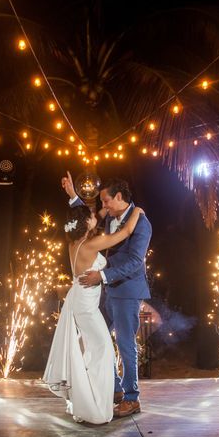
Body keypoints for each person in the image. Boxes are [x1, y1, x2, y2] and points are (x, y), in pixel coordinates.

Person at [43, 203, 145, 424]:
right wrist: (136, 211)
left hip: (81, 301)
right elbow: (126, 232)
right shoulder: (91, 244)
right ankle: (94, 405)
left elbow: (94, 218)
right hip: (87, 309)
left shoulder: (75, 243)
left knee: (96, 349)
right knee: (104, 351)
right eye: (91, 216)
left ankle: (93, 395)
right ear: (85, 223)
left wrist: (72, 197)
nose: (96, 216)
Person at [62, 171, 152, 418]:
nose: (103, 207)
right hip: (106, 292)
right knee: (99, 338)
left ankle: (132, 398)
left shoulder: (141, 222)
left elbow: (135, 261)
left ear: (119, 197)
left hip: (126, 291)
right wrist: (73, 195)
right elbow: (86, 220)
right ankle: (113, 389)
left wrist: (102, 277)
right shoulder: (112, 217)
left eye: (106, 201)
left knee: (125, 344)